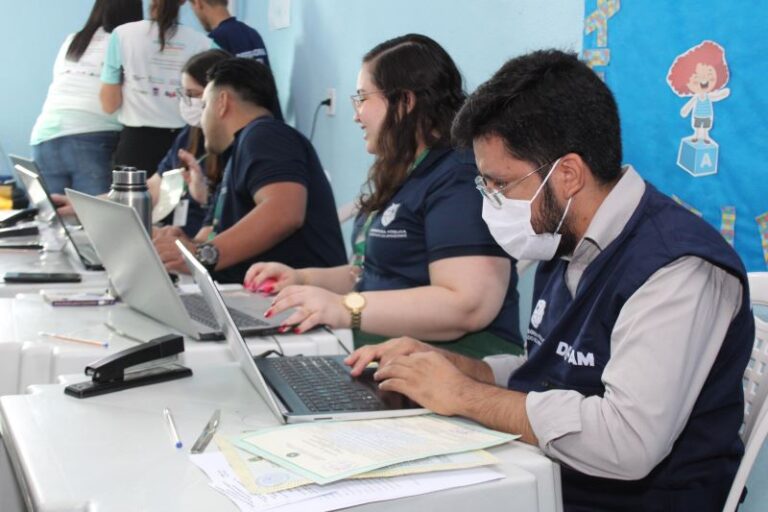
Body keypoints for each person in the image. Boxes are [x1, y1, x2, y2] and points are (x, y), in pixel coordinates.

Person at [345, 50, 754, 511]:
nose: (490, 201)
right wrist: (459, 368)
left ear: (568, 174)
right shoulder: (560, 234)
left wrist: (465, 395)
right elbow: (551, 373)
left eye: (500, 184)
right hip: (551, 482)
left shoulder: (676, 268)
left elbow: (626, 442)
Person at [245, 34, 521, 358]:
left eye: (363, 98)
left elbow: (467, 306)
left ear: (405, 101)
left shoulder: (459, 177)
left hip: (457, 362)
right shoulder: (407, 172)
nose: (356, 114)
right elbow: (372, 277)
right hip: (388, 349)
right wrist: (302, 279)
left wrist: (345, 307)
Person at [153, 57, 346, 284]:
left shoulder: (264, 135)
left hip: (294, 298)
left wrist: (202, 255)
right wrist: (183, 246)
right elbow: (211, 244)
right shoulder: (236, 155)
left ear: (222, 102)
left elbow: (284, 212)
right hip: (247, 295)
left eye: (204, 106)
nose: (201, 121)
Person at [29, 0, 143, 195]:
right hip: (93, 137)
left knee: (53, 213)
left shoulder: (74, 40)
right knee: (93, 212)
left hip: (45, 135)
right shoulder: (129, 42)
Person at [100, 0, 215, 174]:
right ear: (183, 1)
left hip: (134, 145)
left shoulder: (122, 35)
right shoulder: (203, 43)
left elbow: (109, 105)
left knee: (133, 192)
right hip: (184, 143)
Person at [152, 48, 231, 237]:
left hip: (206, 242)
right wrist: (110, 201)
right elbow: (157, 185)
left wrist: (204, 198)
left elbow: (228, 219)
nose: (187, 102)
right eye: (185, 94)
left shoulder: (238, 144)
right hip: (175, 234)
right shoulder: (191, 133)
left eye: (194, 94)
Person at [187, 0, 283, 120]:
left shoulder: (214, 41)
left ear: (198, 3)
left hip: (243, 122)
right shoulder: (252, 34)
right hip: (270, 119)